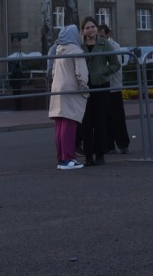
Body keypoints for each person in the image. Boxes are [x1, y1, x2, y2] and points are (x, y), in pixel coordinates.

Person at [79, 16, 125, 164]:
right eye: (87, 27)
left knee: (100, 121)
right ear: (83, 30)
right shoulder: (80, 46)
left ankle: (100, 154)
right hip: (85, 87)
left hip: (101, 85)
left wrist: (103, 71)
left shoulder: (104, 44)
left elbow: (115, 63)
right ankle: (87, 156)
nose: (91, 30)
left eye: (93, 27)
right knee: (86, 122)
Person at [47, 23, 89, 170]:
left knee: (59, 124)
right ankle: (68, 158)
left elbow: (52, 71)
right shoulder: (76, 50)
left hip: (58, 88)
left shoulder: (59, 49)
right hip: (71, 89)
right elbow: (81, 73)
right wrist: (84, 87)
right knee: (69, 123)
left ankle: (61, 157)